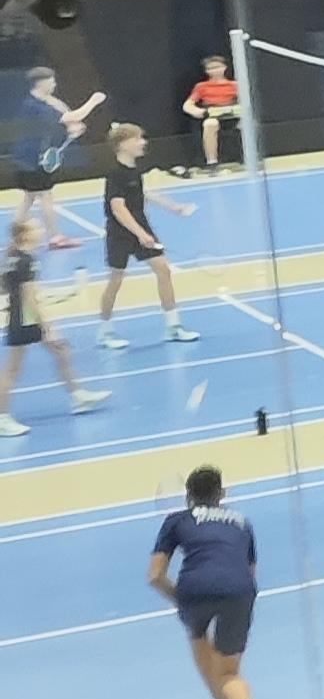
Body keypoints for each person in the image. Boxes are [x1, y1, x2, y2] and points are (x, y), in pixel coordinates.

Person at [147, 464, 259, 699]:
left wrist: (180, 600)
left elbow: (155, 575)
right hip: (240, 590)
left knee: (198, 635)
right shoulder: (242, 522)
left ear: (188, 497)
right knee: (228, 671)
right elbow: (250, 574)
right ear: (222, 494)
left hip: (194, 589)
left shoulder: (176, 520)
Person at [0, 211, 109, 435]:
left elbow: (9, 287)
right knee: (13, 370)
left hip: (18, 317)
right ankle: (2, 418)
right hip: (27, 320)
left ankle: (78, 396)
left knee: (62, 351)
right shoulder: (27, 261)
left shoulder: (13, 257)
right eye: (36, 228)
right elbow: (30, 299)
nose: (41, 230)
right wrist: (47, 327)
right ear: (26, 235)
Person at [95, 125, 198, 350]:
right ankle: (105, 332)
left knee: (163, 269)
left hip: (140, 226)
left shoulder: (134, 169)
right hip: (120, 233)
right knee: (116, 280)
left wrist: (173, 207)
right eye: (137, 139)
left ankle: (173, 326)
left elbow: (141, 194)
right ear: (123, 144)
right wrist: (141, 234)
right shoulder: (115, 173)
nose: (143, 142)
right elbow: (118, 208)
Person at [11, 62, 101, 251]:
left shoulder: (35, 101)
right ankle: (55, 237)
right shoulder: (37, 106)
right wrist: (93, 101)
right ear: (41, 83)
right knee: (45, 196)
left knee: (29, 197)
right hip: (34, 161)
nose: (54, 84)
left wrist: (70, 127)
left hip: (26, 158)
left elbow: (61, 111)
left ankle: (16, 237)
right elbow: (74, 116)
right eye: (51, 81)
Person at [181, 56, 242, 171]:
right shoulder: (201, 87)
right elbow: (188, 105)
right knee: (209, 124)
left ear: (224, 67)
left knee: (247, 123)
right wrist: (197, 111)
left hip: (233, 115)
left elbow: (246, 101)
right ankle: (212, 162)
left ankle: (250, 156)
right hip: (213, 114)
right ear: (207, 71)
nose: (215, 70)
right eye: (211, 68)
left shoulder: (235, 85)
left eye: (217, 67)